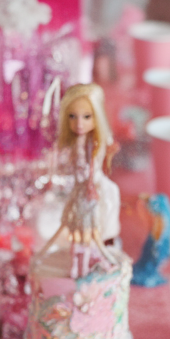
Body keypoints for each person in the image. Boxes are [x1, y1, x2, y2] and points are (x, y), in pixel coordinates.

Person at [56, 83, 121, 245]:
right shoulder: (75, 143)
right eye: (72, 116)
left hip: (92, 183)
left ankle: (102, 241)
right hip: (80, 185)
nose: (79, 123)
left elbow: (94, 164)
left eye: (87, 117)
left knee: (106, 203)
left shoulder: (94, 143)